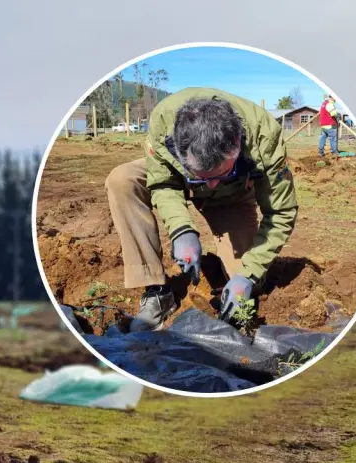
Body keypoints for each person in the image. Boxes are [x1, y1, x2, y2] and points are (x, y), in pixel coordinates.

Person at [103, 88, 298, 332]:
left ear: (237, 145)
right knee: (122, 180)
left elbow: (281, 213)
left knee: (251, 283)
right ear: (179, 148)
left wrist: (247, 275)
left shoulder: (264, 137)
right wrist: (181, 229)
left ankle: (237, 271)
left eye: (220, 173)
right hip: (177, 181)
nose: (210, 184)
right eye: (201, 176)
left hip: (232, 195)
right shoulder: (163, 120)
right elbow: (163, 182)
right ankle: (156, 289)